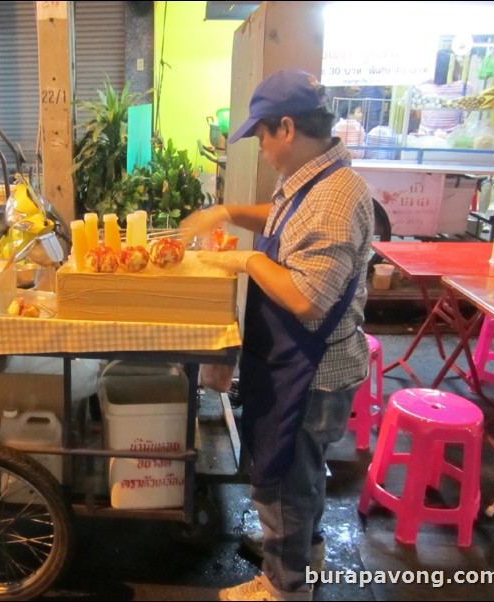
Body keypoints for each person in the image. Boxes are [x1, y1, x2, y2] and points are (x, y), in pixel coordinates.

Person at [181, 70, 373, 601]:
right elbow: (285, 217)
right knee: (302, 479)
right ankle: (300, 551)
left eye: (261, 136)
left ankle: (285, 588)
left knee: (285, 483)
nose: (260, 148)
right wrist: (226, 211)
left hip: (312, 374)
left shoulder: (335, 198)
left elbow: (307, 298)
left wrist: (242, 257)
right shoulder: (319, 182)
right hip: (304, 367)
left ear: (286, 127)